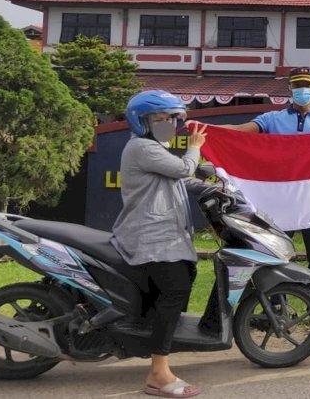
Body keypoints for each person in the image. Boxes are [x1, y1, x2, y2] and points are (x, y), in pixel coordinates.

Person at [206, 67, 310, 306]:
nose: (303, 90)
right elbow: (241, 132)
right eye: (297, 86)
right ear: (289, 89)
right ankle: (275, 307)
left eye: (308, 86)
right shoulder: (272, 119)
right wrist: (206, 130)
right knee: (274, 255)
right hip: (280, 202)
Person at [111, 89, 208, 398]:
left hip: (164, 235)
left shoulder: (153, 148)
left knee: (176, 287)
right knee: (175, 289)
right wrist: (195, 148)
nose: (168, 123)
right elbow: (182, 169)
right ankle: (158, 373)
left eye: (171, 118)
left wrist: (215, 186)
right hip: (152, 237)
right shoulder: (142, 147)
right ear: (141, 121)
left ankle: (153, 352)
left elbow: (178, 179)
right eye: (160, 118)